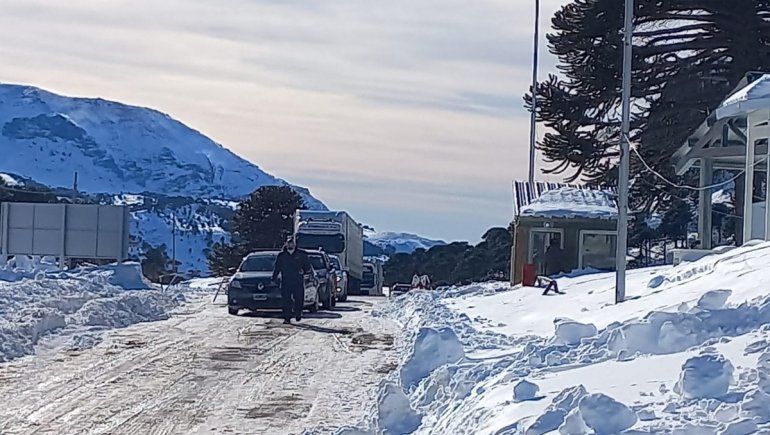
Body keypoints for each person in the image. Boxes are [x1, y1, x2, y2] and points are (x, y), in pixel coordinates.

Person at [273, 236, 313, 324]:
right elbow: (277, 267)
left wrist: (306, 272)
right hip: (286, 281)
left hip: (298, 280)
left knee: (299, 298)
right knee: (286, 300)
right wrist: (274, 277)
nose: (290, 244)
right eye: (289, 242)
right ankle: (287, 317)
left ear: (294, 244)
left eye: (292, 242)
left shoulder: (301, 254)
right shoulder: (282, 255)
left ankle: (298, 313)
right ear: (286, 244)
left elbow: (307, 267)